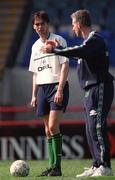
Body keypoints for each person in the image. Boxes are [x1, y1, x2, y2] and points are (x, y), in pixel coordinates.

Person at [45, 9, 114, 177]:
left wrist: (56, 51)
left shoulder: (94, 39)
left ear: (79, 23)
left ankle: (105, 166)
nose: (72, 28)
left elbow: (80, 50)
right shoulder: (89, 45)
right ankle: (96, 164)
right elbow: (80, 53)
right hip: (90, 90)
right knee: (90, 128)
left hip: (100, 87)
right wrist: (59, 48)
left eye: (73, 24)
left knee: (97, 126)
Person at [28, 11, 69, 176]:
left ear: (48, 24)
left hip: (56, 87)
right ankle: (52, 166)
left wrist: (60, 88)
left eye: (42, 24)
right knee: (47, 130)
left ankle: (57, 168)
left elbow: (65, 65)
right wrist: (33, 95)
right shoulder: (35, 46)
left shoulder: (59, 40)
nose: (39, 27)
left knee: (53, 126)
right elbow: (35, 73)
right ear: (33, 26)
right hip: (42, 88)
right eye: (36, 24)